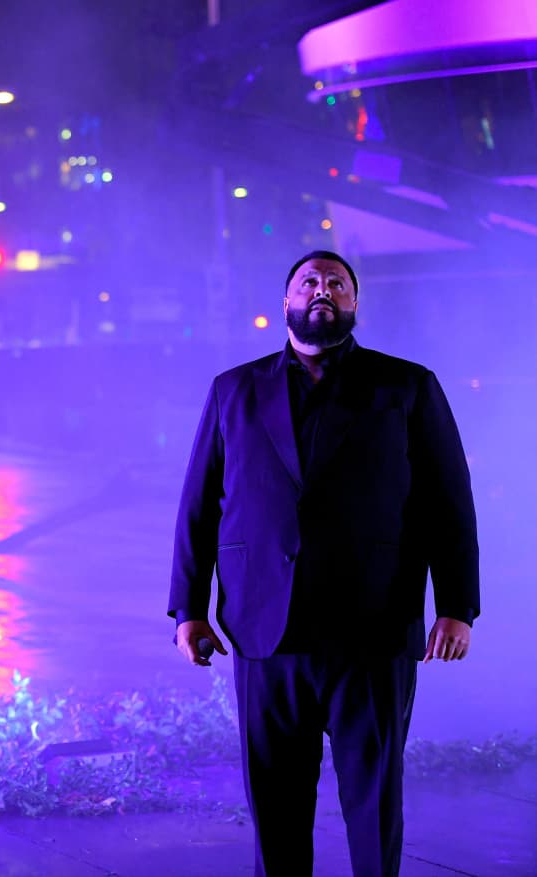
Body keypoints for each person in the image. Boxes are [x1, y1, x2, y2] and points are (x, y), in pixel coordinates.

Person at [168, 250, 480, 877]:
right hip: (265, 628)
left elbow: (448, 500)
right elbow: (198, 504)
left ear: (354, 303)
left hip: (373, 629)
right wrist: (188, 608)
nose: (322, 289)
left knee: (375, 804)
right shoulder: (234, 390)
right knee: (275, 805)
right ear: (286, 301)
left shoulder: (406, 386)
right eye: (309, 281)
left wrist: (456, 606)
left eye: (337, 283)